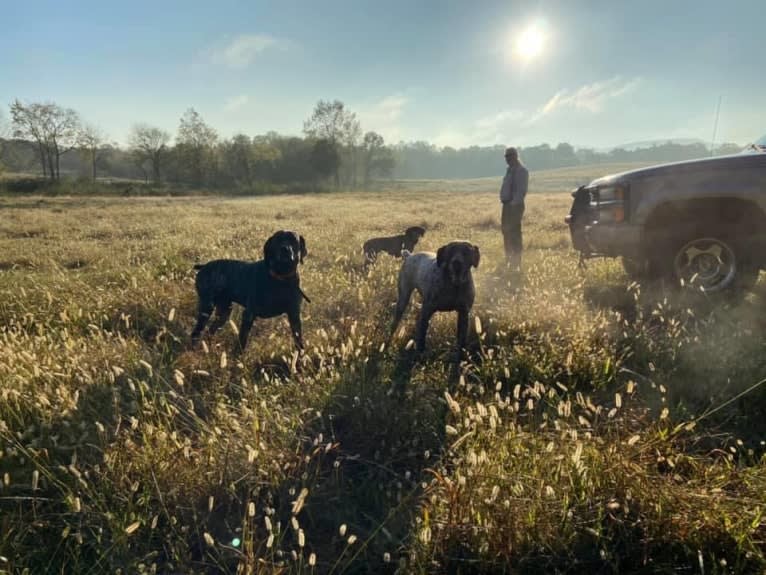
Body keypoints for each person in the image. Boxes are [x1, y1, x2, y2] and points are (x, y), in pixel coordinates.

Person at [499, 146, 528, 272]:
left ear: (515, 156)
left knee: (514, 234)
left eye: (509, 156)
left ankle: (516, 261)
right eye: (506, 156)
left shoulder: (521, 171)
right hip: (507, 205)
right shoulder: (509, 170)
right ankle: (509, 258)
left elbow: (520, 191)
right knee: (506, 233)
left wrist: (512, 205)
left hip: (514, 207)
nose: (507, 159)